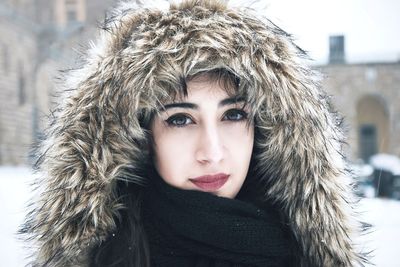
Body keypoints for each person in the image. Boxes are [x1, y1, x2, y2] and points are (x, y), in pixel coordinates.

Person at [20, 0, 368, 266]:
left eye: (232, 115)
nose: (212, 152)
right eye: (180, 120)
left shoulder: (301, 252)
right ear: (139, 136)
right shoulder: (105, 254)